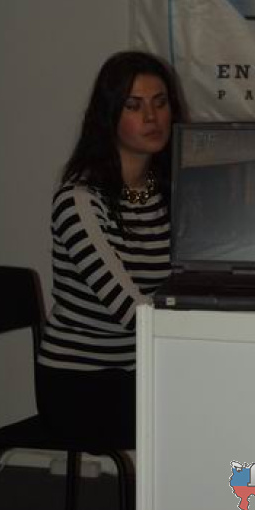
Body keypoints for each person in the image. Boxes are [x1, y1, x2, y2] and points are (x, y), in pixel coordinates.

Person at [36, 50, 187, 448]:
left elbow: (194, 280)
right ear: (108, 117)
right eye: (134, 106)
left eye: (160, 103)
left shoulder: (165, 193)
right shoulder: (79, 200)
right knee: (206, 414)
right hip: (82, 383)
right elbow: (128, 309)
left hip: (141, 370)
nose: (152, 117)